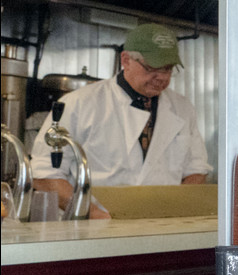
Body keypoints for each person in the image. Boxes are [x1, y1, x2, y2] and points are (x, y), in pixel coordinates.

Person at [30, 23, 211, 218]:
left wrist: (177, 210)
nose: (162, 77)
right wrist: (92, 214)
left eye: (168, 69)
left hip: (162, 228)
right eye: (152, 68)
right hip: (93, 229)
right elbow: (44, 175)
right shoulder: (79, 103)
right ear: (126, 60)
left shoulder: (183, 108)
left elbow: (196, 171)